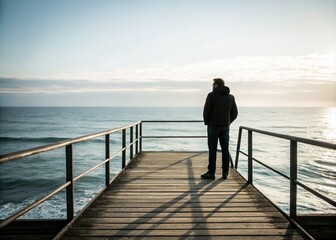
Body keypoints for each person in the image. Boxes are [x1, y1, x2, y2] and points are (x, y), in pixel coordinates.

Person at [201, 78, 238, 180]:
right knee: (225, 149)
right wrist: (227, 122)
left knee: (212, 150)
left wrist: (207, 122)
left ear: (216, 85)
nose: (212, 86)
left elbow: (206, 111)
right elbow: (235, 113)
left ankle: (211, 173)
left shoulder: (211, 95)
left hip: (213, 127)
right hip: (225, 127)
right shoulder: (231, 97)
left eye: (213, 84)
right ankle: (225, 173)